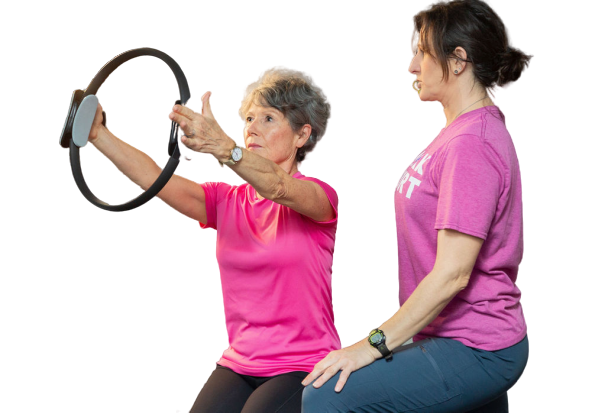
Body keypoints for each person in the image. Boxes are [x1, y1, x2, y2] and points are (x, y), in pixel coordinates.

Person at [301, 1, 533, 412]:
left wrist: (371, 346)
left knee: (324, 396)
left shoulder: (471, 144)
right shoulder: (461, 131)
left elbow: (452, 275)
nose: (411, 66)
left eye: (422, 53)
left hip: (474, 344)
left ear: (458, 60)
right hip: (451, 335)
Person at [87, 67, 340, 413]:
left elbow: (279, 187)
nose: (252, 127)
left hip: (303, 364)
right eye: (249, 118)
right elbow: (152, 178)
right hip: (239, 362)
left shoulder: (318, 197)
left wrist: (224, 147)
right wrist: (99, 135)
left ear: (302, 135)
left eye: (268, 118)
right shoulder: (225, 202)